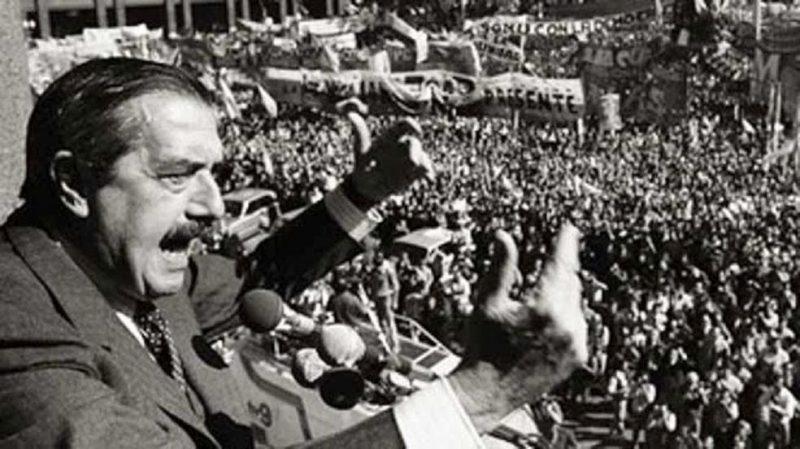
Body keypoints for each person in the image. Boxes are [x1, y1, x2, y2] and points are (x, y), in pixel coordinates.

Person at [0, 58, 587, 448]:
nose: (214, 205)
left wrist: (361, 194)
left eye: (213, 173)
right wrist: (482, 394)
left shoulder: (123, 271)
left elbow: (255, 281)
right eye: (177, 175)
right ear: (73, 183)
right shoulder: (16, 329)